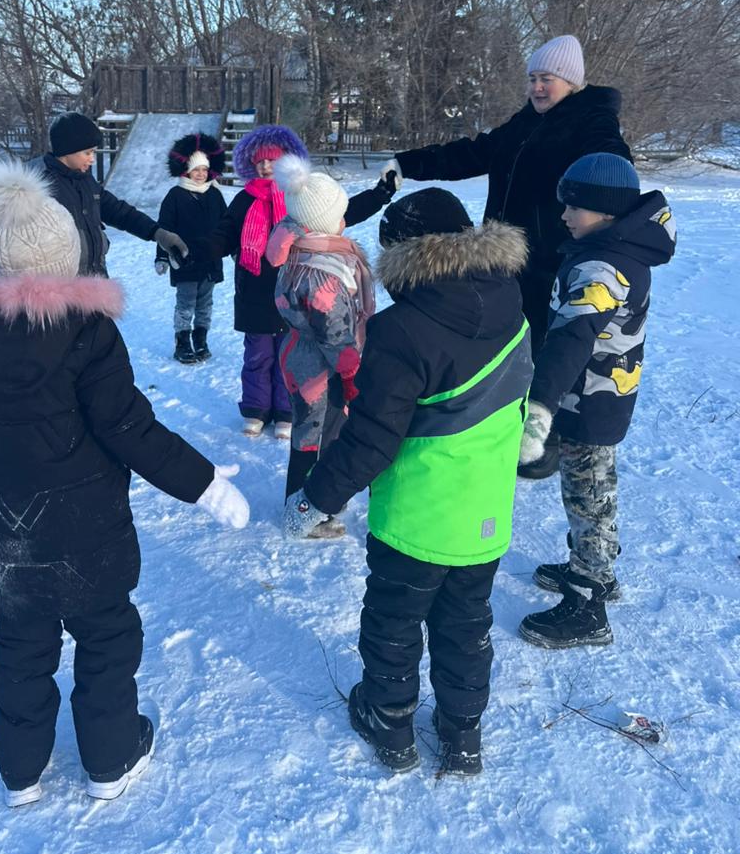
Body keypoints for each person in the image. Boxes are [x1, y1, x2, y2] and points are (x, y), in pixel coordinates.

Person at [0, 161, 249, 807]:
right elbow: (129, 427)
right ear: (66, 257)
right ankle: (110, 759)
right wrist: (203, 482)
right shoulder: (87, 330)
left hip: (7, 528)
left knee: (21, 643)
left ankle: (21, 773)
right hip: (87, 529)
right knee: (106, 636)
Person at [284, 189, 531, 777]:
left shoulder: (401, 330)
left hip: (415, 519)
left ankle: (390, 723)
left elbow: (372, 437)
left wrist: (316, 498)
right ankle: (461, 734)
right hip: (484, 515)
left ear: (401, 253)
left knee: (394, 622)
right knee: (467, 626)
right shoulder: (512, 305)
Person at [517, 153, 676, 649]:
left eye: (576, 207)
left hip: (587, 398)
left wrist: (540, 406)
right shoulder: (620, 249)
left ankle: (589, 606)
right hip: (602, 396)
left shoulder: (601, 267)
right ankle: (595, 568)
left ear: (606, 211)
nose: (565, 214)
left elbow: (572, 337)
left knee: (587, 492)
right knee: (592, 488)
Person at [392, 35, 631, 357]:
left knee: (533, 348)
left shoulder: (592, 118)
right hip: (502, 256)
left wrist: (603, 200)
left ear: (571, 82)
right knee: (498, 343)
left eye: (547, 79)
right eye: (533, 79)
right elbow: (477, 153)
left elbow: (612, 164)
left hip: (548, 261)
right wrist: (408, 162)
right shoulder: (526, 121)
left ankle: (535, 403)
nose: (537, 88)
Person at [196, 124, 397, 441]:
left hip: (294, 293)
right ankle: (255, 409)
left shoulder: (301, 201)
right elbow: (224, 234)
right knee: (258, 355)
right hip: (255, 293)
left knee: (289, 356)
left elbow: (343, 212)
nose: (265, 167)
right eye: (259, 161)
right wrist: (200, 250)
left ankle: (286, 411)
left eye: (272, 160)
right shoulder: (244, 201)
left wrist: (380, 194)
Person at [265, 156, 375, 536]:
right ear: (320, 222)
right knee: (316, 436)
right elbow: (335, 336)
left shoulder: (306, 249)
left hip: (303, 359)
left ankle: (318, 498)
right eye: (340, 214)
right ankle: (305, 510)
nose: (344, 220)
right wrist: (352, 377)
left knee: (317, 431)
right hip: (319, 369)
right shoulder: (321, 274)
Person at [39, 112, 188, 278]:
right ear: (67, 150)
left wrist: (158, 233)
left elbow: (120, 212)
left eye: (94, 153)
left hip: (97, 286)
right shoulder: (44, 190)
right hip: (63, 291)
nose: (92, 159)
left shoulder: (87, 183)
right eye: (88, 153)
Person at [155, 132, 227, 364]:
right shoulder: (175, 196)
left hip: (210, 260)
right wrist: (162, 257)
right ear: (186, 170)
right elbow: (164, 228)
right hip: (184, 259)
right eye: (196, 170)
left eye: (204, 170)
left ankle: (201, 338)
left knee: (205, 303)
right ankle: (183, 342)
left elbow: (228, 226)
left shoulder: (215, 195)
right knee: (186, 302)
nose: (200, 174)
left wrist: (235, 249)